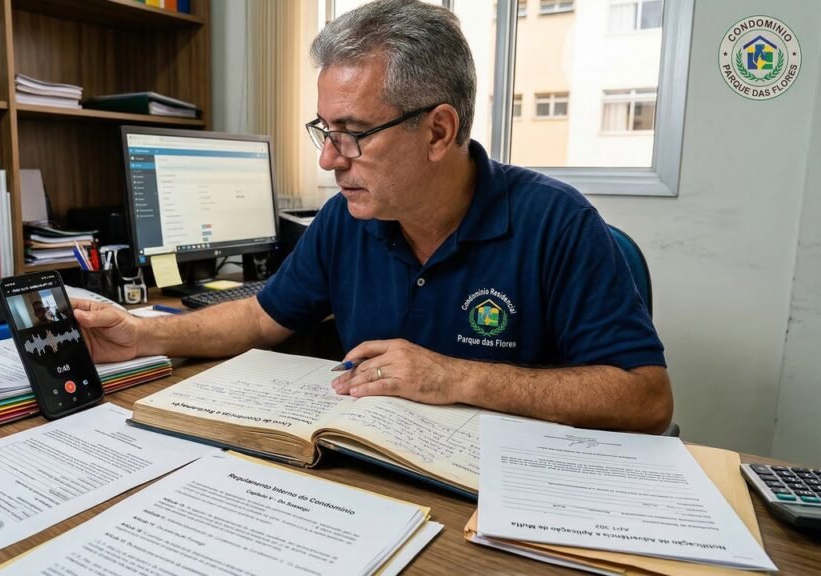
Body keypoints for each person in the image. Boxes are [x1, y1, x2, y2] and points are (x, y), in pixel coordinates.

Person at [74, 0, 672, 434]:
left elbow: (645, 397)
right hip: (369, 471)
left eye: (354, 134)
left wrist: (458, 378)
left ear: (439, 130)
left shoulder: (557, 223)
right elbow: (261, 317)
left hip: (502, 493)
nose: (329, 158)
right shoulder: (347, 218)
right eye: (326, 131)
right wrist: (142, 333)